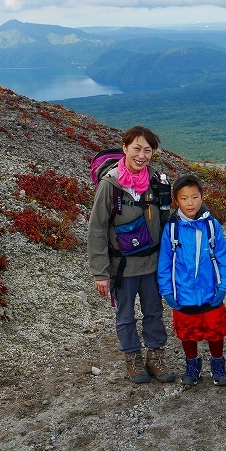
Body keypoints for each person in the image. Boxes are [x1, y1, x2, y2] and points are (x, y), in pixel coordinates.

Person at [88, 126, 176, 384]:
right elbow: (96, 230)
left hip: (151, 264)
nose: (142, 155)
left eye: (147, 150)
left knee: (154, 311)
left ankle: (155, 356)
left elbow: (164, 222)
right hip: (122, 267)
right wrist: (100, 273)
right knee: (125, 315)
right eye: (136, 148)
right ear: (124, 148)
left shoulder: (157, 182)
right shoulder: (110, 185)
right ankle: (132, 358)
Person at [158, 174, 226, 387]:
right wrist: (167, 291)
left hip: (210, 291)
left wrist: (222, 286)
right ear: (176, 200)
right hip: (183, 292)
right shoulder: (172, 229)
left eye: (194, 197)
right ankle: (193, 364)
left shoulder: (211, 225)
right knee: (187, 332)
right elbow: (165, 262)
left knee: (215, 329)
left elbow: (222, 257)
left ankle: (218, 364)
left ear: (202, 197)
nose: (190, 202)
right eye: (184, 198)